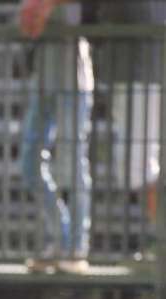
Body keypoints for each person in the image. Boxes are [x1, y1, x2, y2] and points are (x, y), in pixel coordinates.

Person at [19, 0, 163, 271]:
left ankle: (75, 248)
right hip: (43, 78)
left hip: (77, 79)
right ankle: (60, 239)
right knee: (29, 165)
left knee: (77, 164)